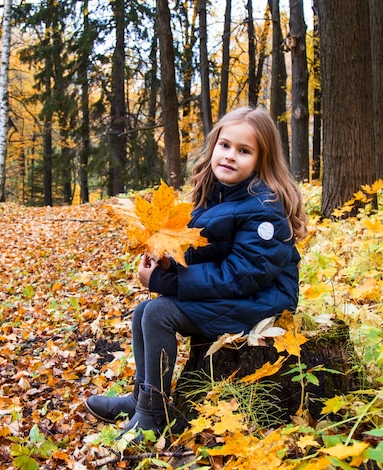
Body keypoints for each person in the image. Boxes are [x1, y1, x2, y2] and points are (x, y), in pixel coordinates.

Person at [85, 106, 309, 438]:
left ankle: (152, 417)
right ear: (214, 146)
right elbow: (203, 251)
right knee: (144, 310)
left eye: (244, 151)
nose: (231, 156)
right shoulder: (217, 195)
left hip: (264, 303)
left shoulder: (264, 210)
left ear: (262, 160)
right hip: (240, 293)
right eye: (225, 145)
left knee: (159, 312)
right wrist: (168, 262)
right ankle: (142, 398)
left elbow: (239, 276)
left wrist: (164, 282)